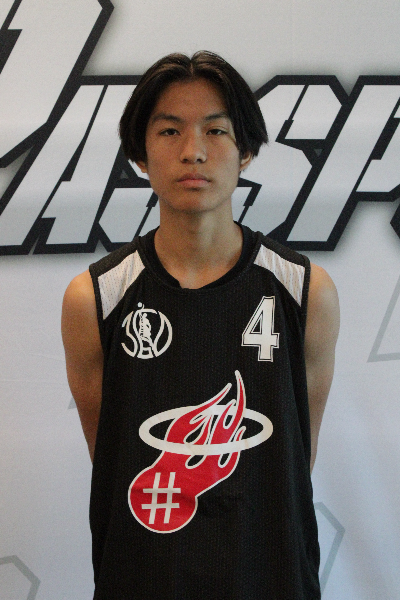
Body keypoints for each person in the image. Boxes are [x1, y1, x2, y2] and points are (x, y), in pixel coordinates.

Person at [62, 51, 339, 600]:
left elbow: (295, 452)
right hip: (144, 576)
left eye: (216, 130)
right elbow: (111, 452)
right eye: (170, 131)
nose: (193, 151)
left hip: (271, 576)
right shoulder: (94, 297)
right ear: (140, 154)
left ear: (247, 150)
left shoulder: (305, 290)